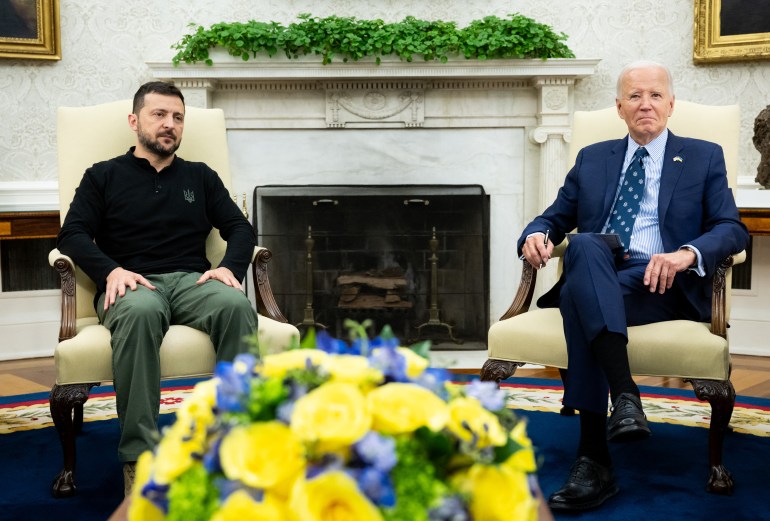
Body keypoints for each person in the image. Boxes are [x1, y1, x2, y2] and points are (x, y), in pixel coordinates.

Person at [518, 61, 749, 511]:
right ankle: (624, 397)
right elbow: (553, 217)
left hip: (661, 284)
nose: (646, 104)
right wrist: (535, 233)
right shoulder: (593, 158)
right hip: (600, 269)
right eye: (635, 96)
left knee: (577, 293)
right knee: (585, 247)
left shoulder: (703, 155)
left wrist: (686, 253)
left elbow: (731, 229)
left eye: (656, 95)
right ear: (620, 107)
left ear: (671, 104)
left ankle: (594, 459)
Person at [57, 81, 259, 494]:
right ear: (135, 121)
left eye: (178, 117)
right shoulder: (103, 176)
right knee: (142, 311)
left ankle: (231, 444)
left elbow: (240, 227)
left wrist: (230, 268)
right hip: (131, 282)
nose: (170, 125)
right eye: (159, 115)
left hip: (192, 281)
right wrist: (110, 270)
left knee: (236, 307)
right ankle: (139, 455)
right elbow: (72, 233)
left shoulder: (200, 177)